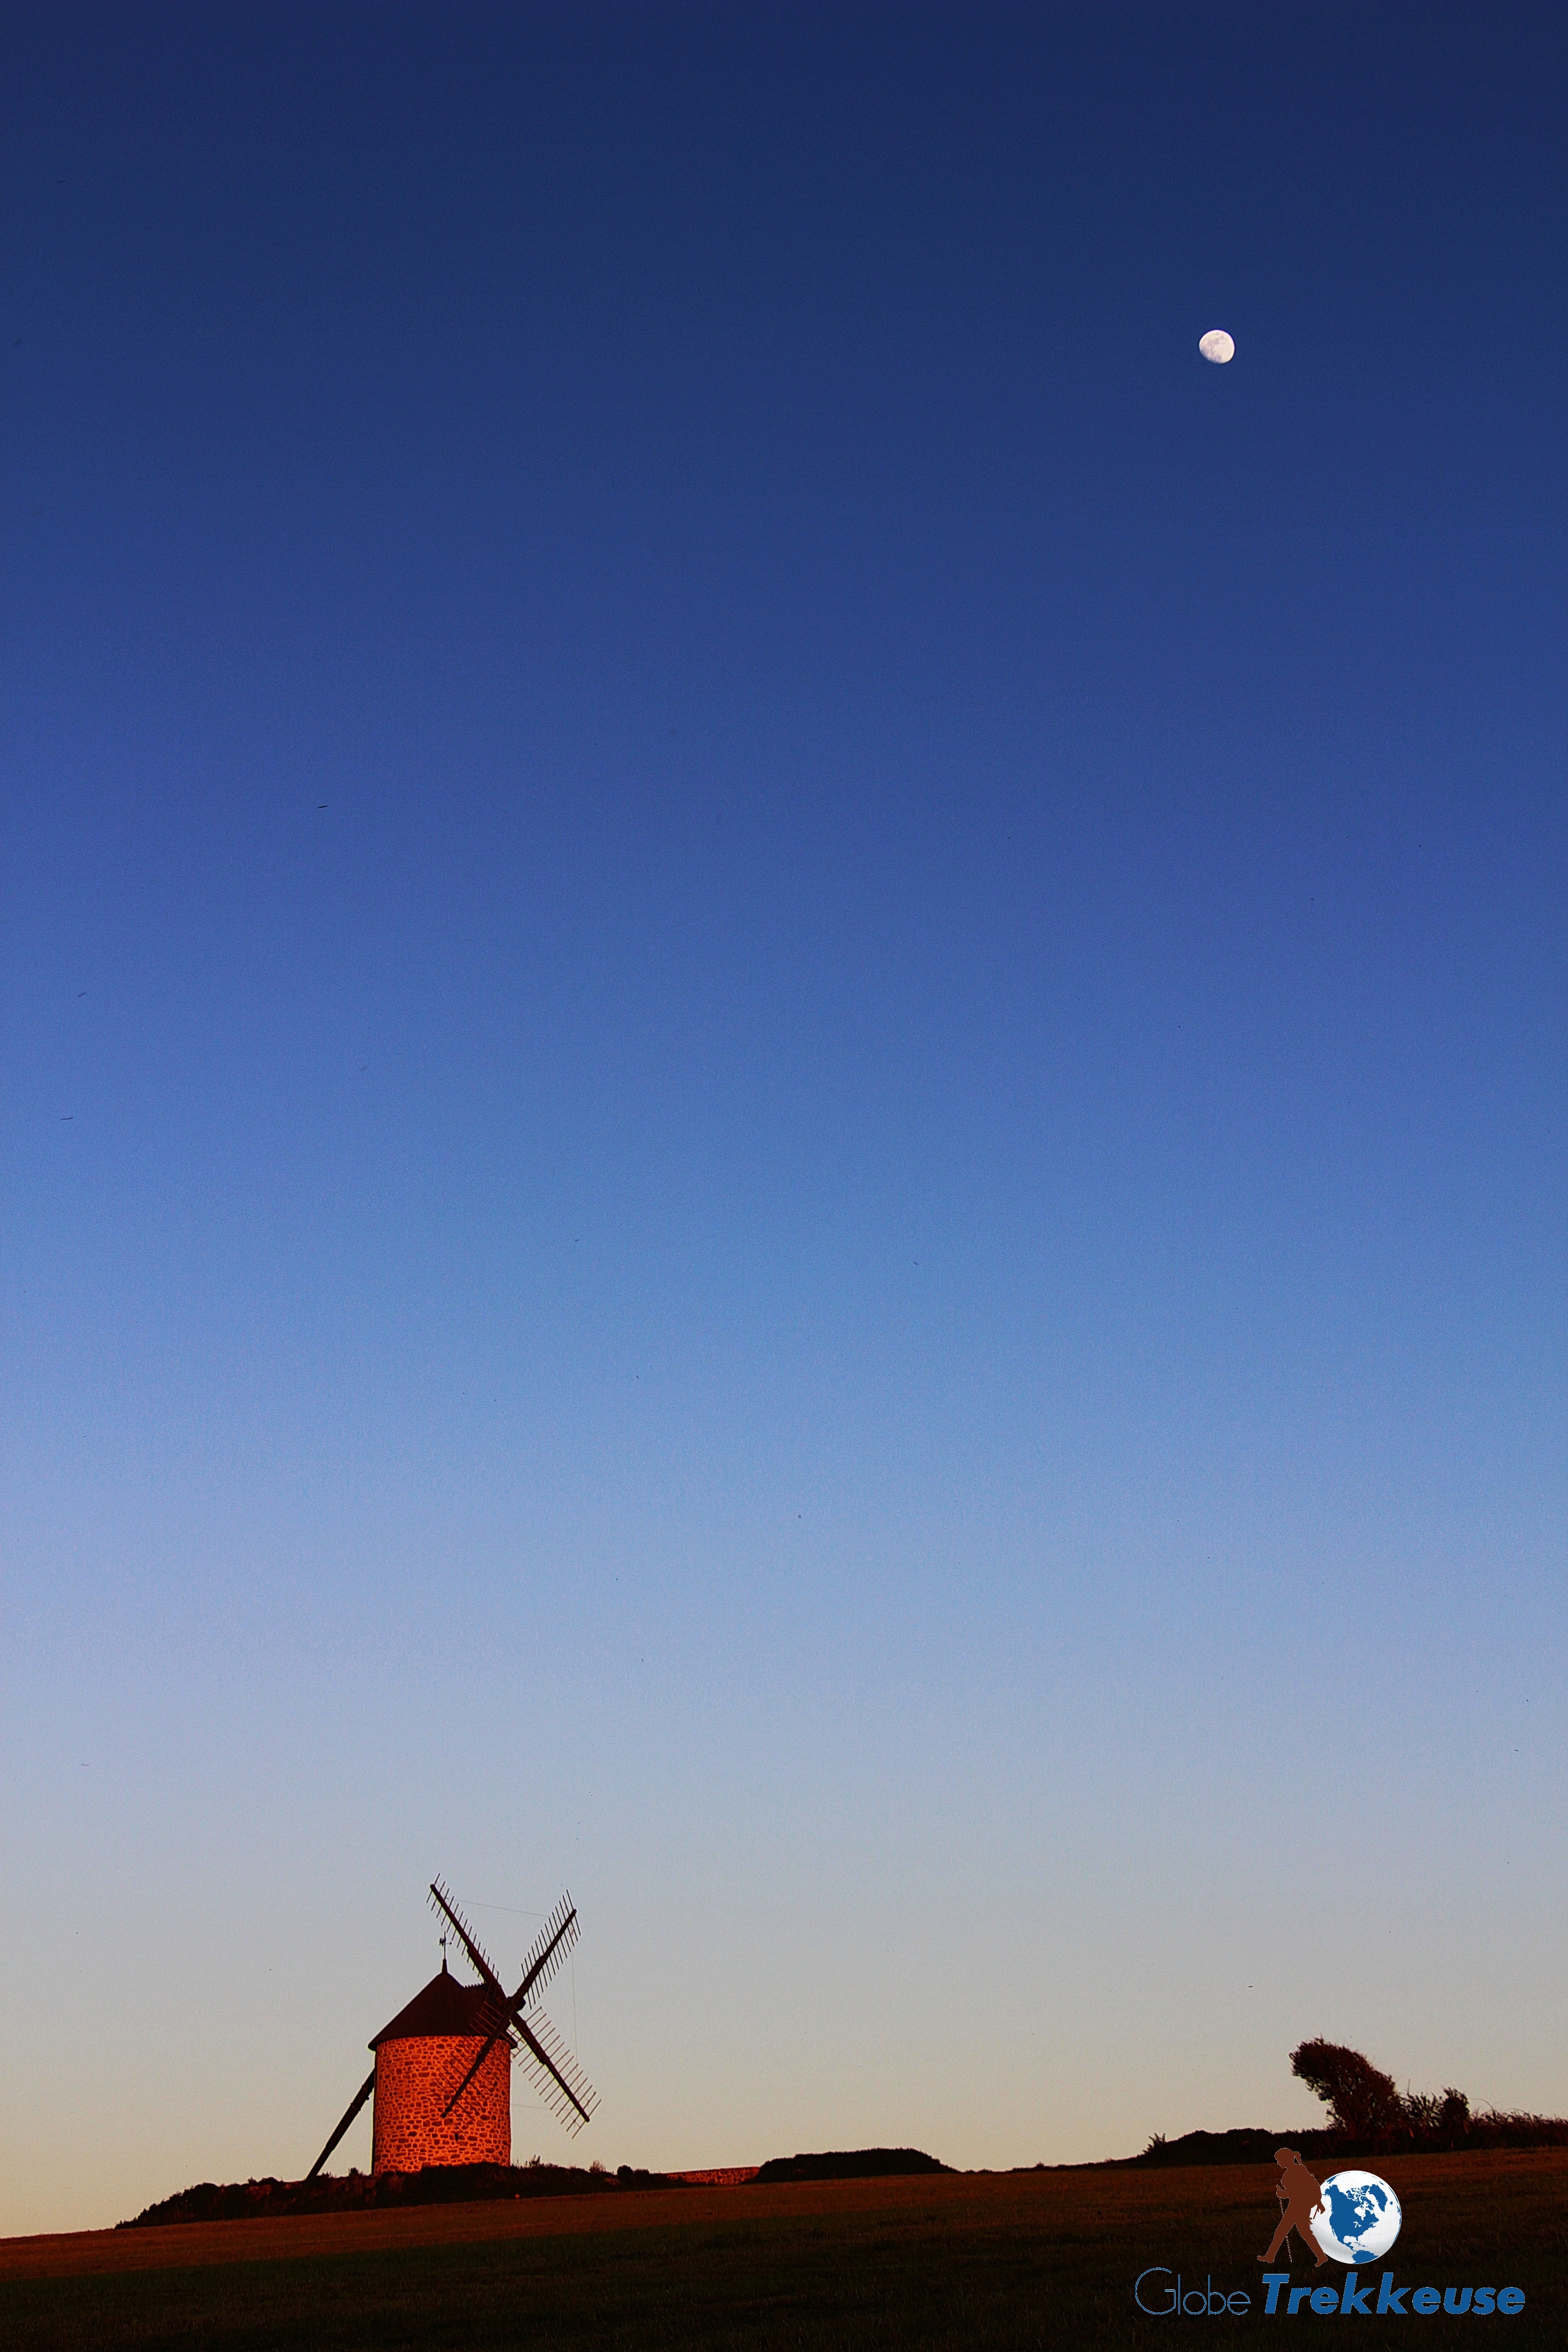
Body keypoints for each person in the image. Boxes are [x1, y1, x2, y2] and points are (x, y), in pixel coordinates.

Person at [1259, 2147, 1328, 2267]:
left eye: (1280, 2160)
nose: (1278, 2163)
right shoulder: (1300, 2169)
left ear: (1286, 2160)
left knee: (1289, 2232)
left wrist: (1282, 2194)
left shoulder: (1293, 2172)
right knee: (1295, 2232)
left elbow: (1295, 2191)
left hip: (1298, 2206)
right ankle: (1321, 2257)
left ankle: (1322, 2257)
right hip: (1300, 2205)